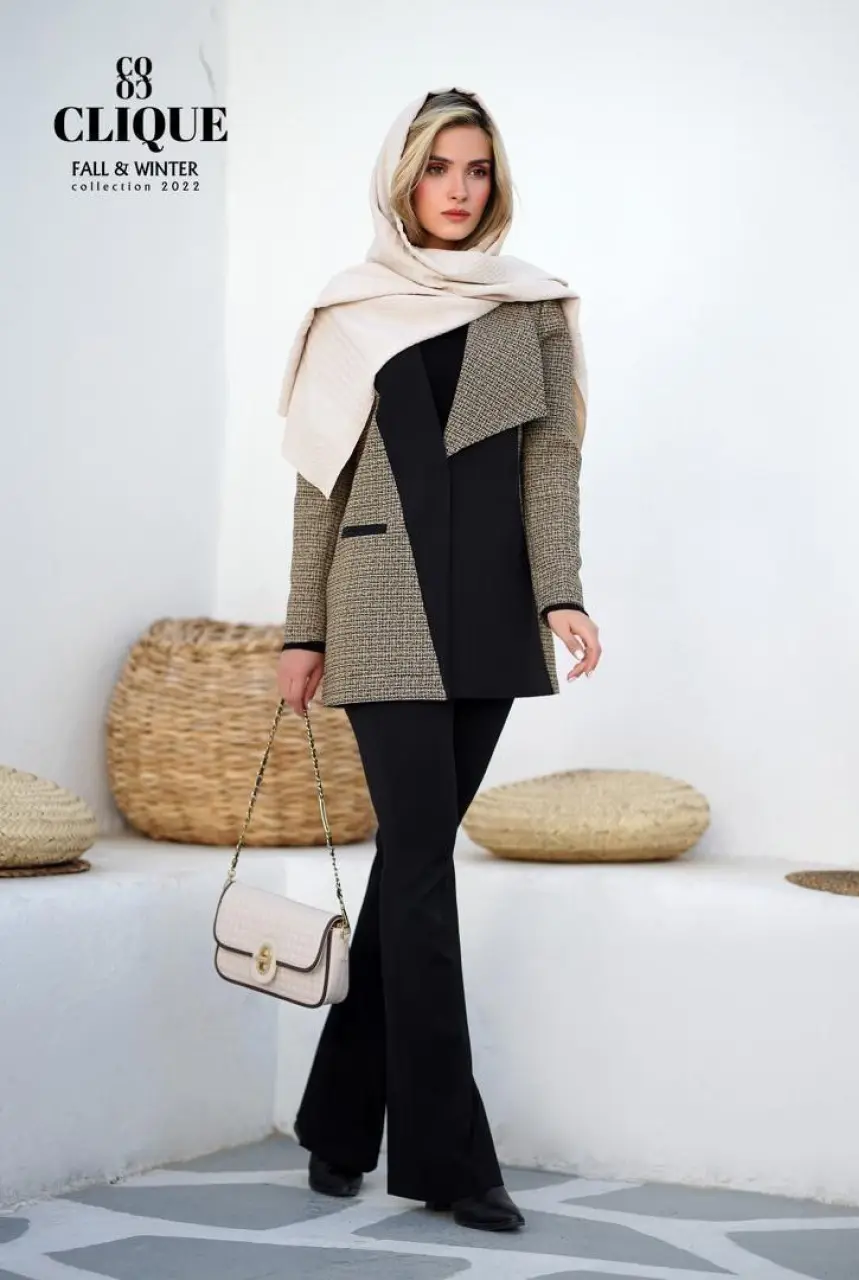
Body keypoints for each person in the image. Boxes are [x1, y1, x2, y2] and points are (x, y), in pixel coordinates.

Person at [274, 85, 602, 1233]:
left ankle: (335, 1119)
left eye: (476, 169)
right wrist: (302, 628)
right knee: (420, 872)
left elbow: (550, 464)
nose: (458, 189)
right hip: (377, 612)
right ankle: (452, 1159)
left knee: (407, 870)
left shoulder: (532, 306)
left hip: (494, 613)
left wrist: (560, 590)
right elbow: (317, 483)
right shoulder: (351, 310)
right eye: (437, 168)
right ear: (401, 179)